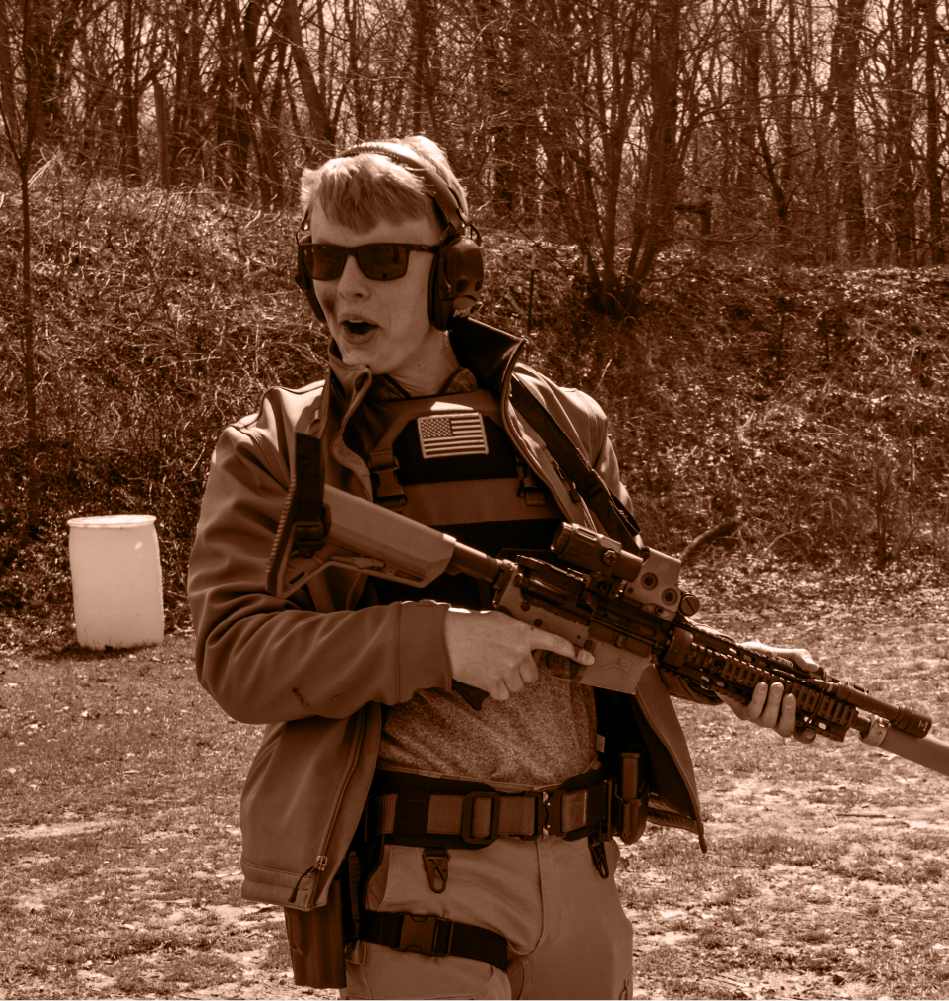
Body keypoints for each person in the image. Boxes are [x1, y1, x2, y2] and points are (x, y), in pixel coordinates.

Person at [186, 136, 817, 1001]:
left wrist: (738, 673)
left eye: (383, 259)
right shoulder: (278, 452)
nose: (348, 286)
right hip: (416, 879)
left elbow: (608, 623)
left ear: (455, 272)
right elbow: (236, 656)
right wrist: (437, 641)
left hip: (582, 870)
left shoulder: (564, 425)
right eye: (326, 258)